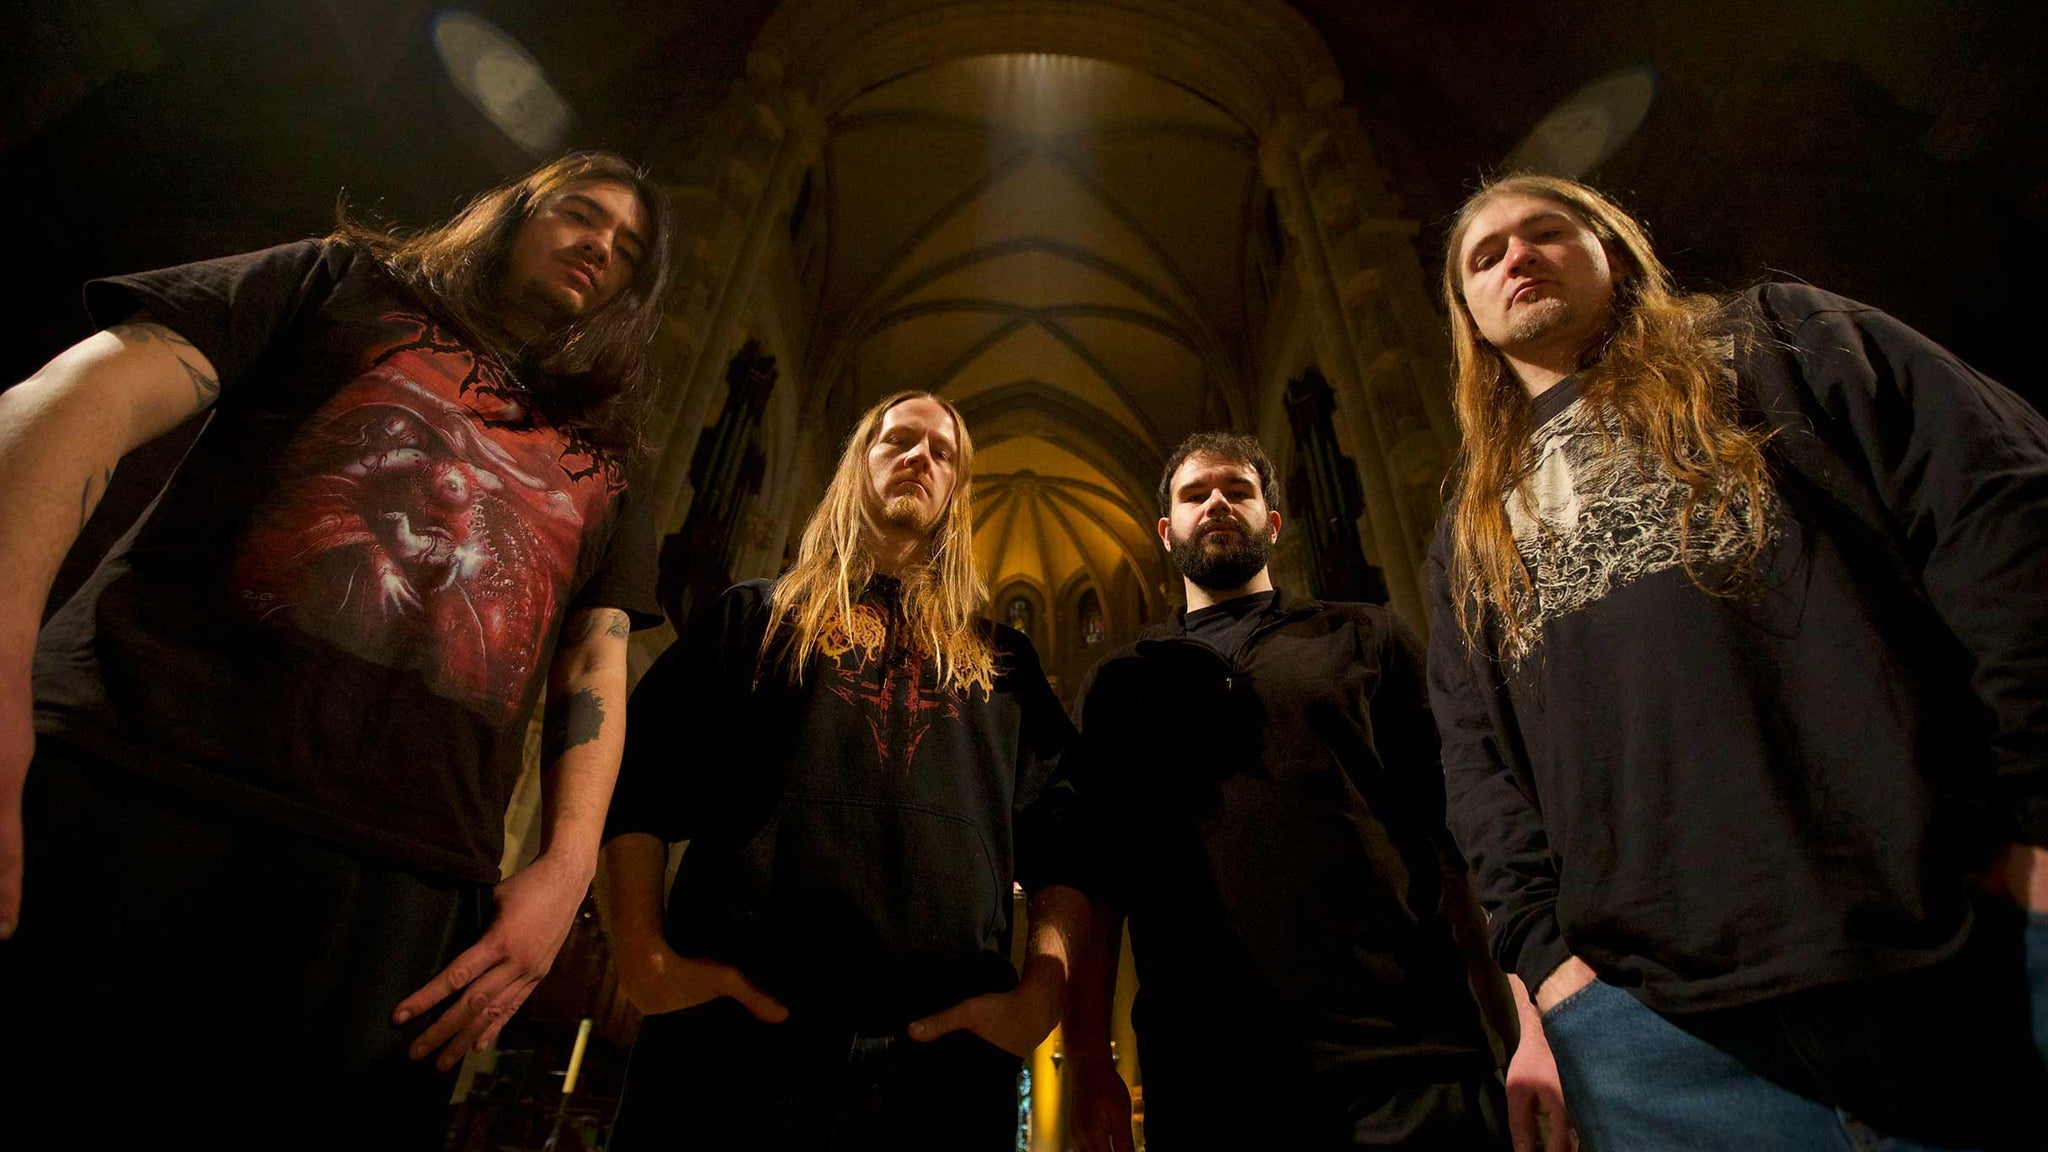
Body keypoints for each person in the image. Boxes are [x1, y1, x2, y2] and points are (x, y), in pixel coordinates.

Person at [0, 151, 673, 1145]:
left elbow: (596, 660)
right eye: (581, 213)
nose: (599, 247)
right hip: (135, 775)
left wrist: (565, 867)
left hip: (401, 887)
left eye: (628, 249)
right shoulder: (343, 283)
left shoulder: (609, 454)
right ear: (513, 212)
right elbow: (69, 405)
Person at [1427, 172, 2048, 1151]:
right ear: (1467, 313)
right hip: (1655, 1044)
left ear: (1613, 251)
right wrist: (1546, 966)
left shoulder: (1776, 341)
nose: (1517, 256)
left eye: (1546, 230)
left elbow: (1997, 514)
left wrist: (2039, 813)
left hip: (1949, 959)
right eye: (1485, 255)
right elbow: (1476, 761)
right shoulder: (1470, 525)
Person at [598, 391, 1090, 1150]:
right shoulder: (751, 618)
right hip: (735, 1048)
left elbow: (1067, 841)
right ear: (858, 463)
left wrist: (1042, 995)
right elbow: (640, 787)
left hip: (941, 1069)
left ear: (958, 492)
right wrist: (642, 957)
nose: (920, 457)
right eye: (899, 440)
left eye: (943, 453)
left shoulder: (1007, 666)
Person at [1061, 431, 1533, 1151]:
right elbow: (1099, 891)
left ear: (1274, 523)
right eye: (1195, 494)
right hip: (1210, 1081)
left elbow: (1461, 838)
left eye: (1237, 491)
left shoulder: (1366, 635)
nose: (1217, 503)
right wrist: (1091, 1060)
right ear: (1166, 531)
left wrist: (1523, 1026)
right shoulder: (1119, 685)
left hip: (1411, 1062)